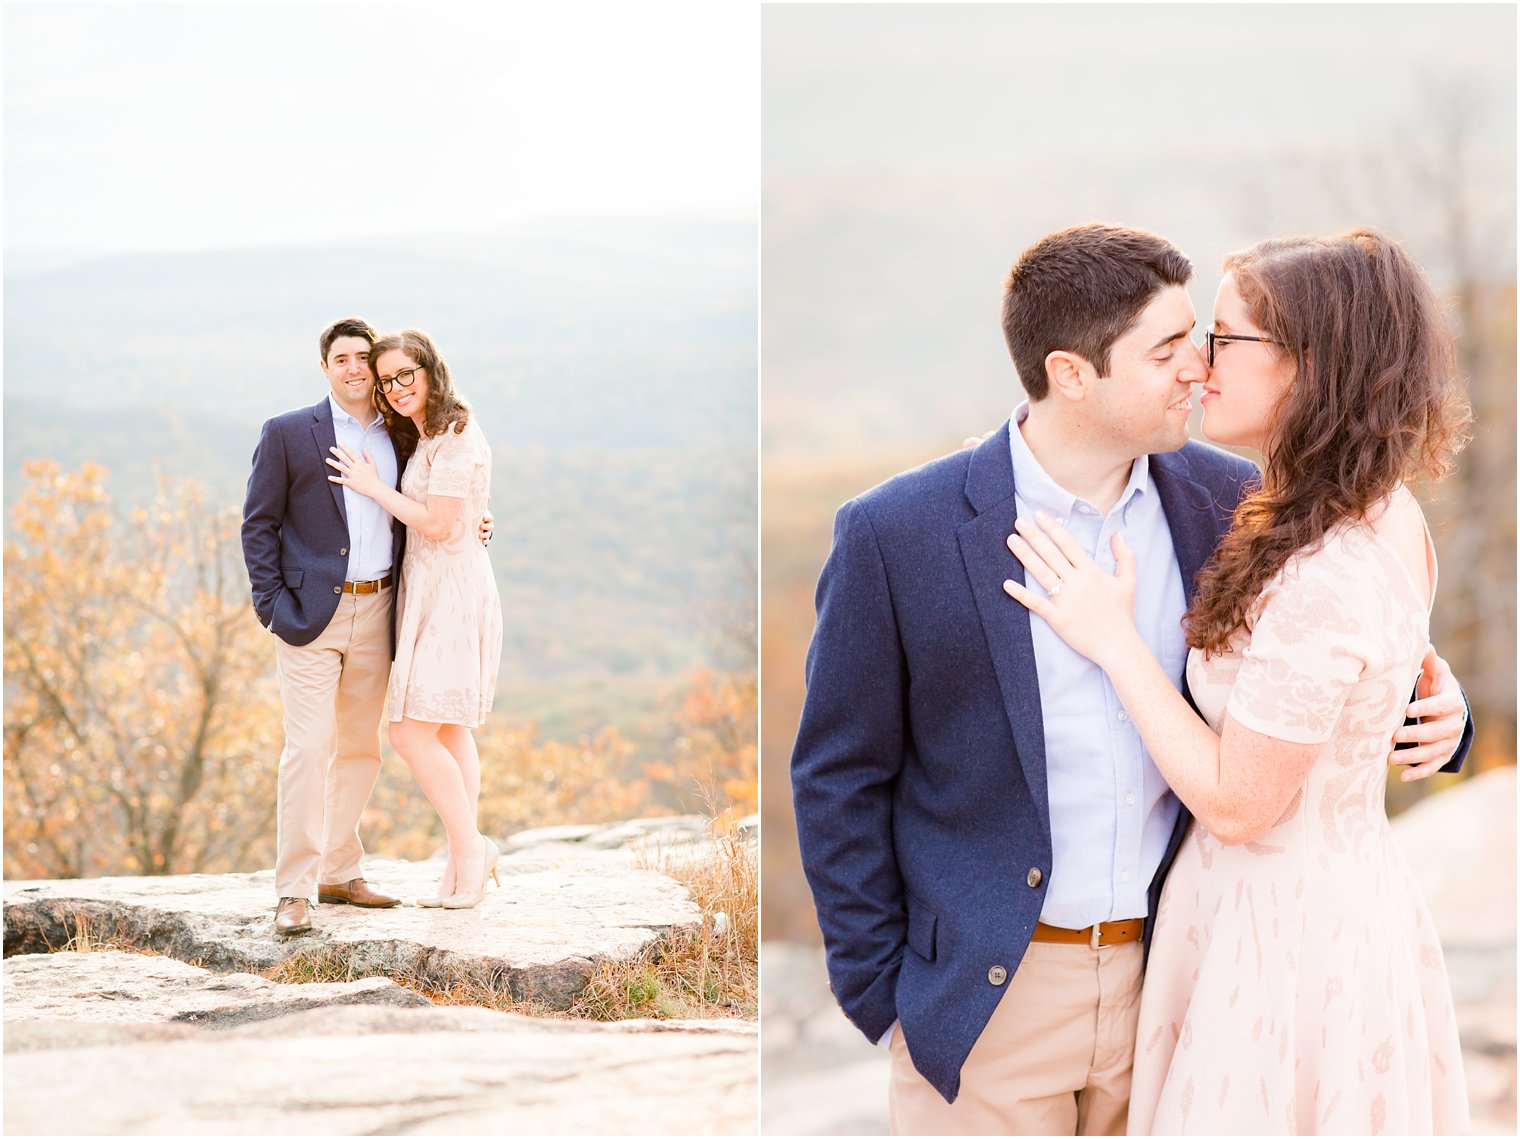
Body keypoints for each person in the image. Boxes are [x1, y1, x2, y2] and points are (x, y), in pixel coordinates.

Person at [789, 223, 1472, 1135]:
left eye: (1207, 338)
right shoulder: (901, 532)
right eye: (1168, 349)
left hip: (1178, 981)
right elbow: (838, 772)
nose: (1197, 365)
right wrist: (888, 997)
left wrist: (1440, 704)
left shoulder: (1233, 505)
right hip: (993, 999)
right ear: (1073, 374)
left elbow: (1340, 641)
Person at [1002, 229, 1470, 1134]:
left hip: (1284, 943)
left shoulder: (1330, 560)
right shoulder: (1349, 506)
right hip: (1314, 907)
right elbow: (1366, 678)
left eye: (1223, 338)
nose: (1199, 366)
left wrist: (1114, 640)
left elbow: (1239, 802)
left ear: (1311, 364)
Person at [242, 317, 492, 935]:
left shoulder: (402, 434)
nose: (357, 370)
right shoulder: (289, 432)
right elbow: (258, 523)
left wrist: (479, 523)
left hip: (385, 607)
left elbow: (442, 497)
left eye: (366, 361)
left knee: (361, 748)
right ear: (325, 368)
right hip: (308, 615)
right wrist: (271, 604)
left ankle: (340, 869)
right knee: (307, 749)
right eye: (344, 360)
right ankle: (294, 890)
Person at [326, 329, 503, 910]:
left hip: (451, 594)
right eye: (387, 380)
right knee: (450, 729)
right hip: (425, 589)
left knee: (408, 731)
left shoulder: (454, 433)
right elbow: (459, 511)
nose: (397, 387)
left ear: (430, 370)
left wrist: (373, 487)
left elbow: (438, 524)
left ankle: (470, 849)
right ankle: (463, 862)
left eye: (407, 374)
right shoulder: (423, 432)